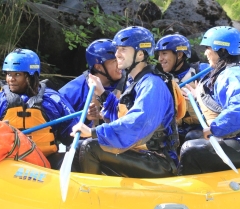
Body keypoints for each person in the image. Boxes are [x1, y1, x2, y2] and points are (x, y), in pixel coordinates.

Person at [70, 26, 185, 178]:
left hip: (159, 160)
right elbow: (121, 116)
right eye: (117, 49)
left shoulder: (152, 84)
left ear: (140, 54)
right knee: (78, 146)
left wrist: (94, 132)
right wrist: (102, 94)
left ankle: (93, 197)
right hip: (139, 152)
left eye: (123, 49)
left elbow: (137, 122)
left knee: (91, 148)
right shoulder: (134, 81)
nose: (117, 54)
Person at [177, 26, 240, 175]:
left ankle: (188, 190)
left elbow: (239, 109)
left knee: (190, 149)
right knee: (190, 136)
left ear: (222, 50)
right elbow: (221, 104)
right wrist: (200, 97)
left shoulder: (234, 75)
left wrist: (214, 128)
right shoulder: (226, 72)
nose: (205, 53)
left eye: (208, 48)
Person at [0, 48, 79, 169]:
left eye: (17, 74)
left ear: (31, 76)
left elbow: (73, 133)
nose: (11, 79)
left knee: (72, 160)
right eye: (8, 74)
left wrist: (90, 122)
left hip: (47, 161)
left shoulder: (52, 99)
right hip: (10, 163)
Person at [59, 38, 126, 126]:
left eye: (120, 59)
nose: (120, 65)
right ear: (98, 67)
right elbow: (60, 126)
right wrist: (85, 119)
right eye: (115, 61)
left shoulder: (130, 83)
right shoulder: (73, 91)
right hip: (88, 138)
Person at [155, 34, 202, 145]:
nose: (160, 59)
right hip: (175, 130)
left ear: (179, 54)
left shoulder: (200, 72)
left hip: (199, 129)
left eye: (164, 53)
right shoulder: (160, 78)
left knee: (191, 138)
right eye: (159, 54)